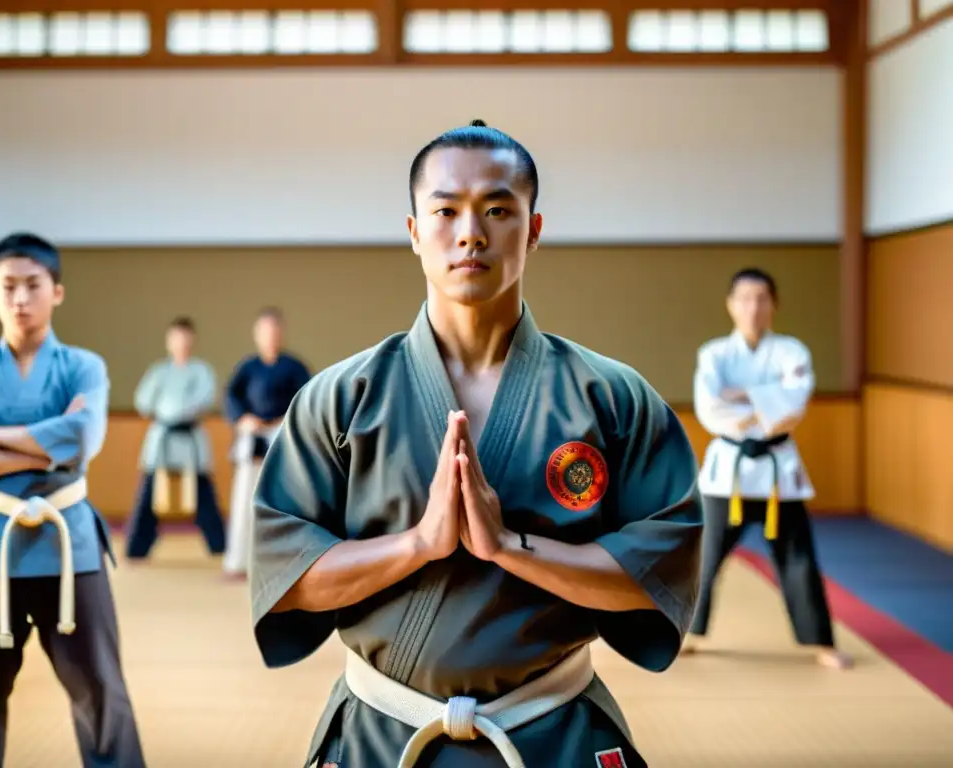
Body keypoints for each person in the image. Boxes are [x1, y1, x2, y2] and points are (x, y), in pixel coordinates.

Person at [247, 121, 704, 768]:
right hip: (382, 733)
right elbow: (286, 579)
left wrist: (511, 547)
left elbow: (658, 574)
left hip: (553, 730)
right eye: (445, 210)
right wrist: (418, 545)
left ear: (534, 229)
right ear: (413, 231)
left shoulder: (613, 399)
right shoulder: (341, 399)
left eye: (497, 209)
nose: (471, 232)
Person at [0, 232, 146, 767]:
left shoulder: (83, 367)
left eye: (33, 285)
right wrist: (45, 448)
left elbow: (84, 439)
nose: (21, 298)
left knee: (101, 696)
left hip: (69, 542)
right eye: (9, 287)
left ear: (57, 292)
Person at [686, 267, 852, 670]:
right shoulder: (714, 353)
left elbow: (793, 407)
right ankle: (686, 633)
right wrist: (766, 400)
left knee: (799, 557)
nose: (753, 307)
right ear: (730, 305)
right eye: (744, 299)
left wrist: (741, 396)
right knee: (700, 558)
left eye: (761, 299)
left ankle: (820, 641)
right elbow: (711, 407)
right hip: (729, 472)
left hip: (779, 471)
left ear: (774, 305)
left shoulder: (792, 352)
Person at [124, 316, 226, 561]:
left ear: (193, 340)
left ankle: (219, 545)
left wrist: (180, 410)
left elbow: (204, 400)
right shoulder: (159, 372)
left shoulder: (201, 370)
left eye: (186, 338)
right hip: (163, 436)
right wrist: (165, 410)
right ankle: (137, 547)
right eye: (177, 338)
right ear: (169, 341)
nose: (182, 343)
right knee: (149, 491)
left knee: (203, 493)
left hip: (190, 436)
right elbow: (143, 402)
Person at [222, 307, 310, 579]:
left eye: (275, 331)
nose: (271, 336)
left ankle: (287, 563)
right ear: (257, 335)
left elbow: (308, 397)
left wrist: (286, 419)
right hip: (253, 437)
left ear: (282, 334)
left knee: (286, 502)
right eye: (265, 331)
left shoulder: (295, 367)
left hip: (283, 436)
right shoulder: (247, 368)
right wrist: (243, 418)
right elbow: (231, 397)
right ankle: (237, 563)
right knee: (243, 501)